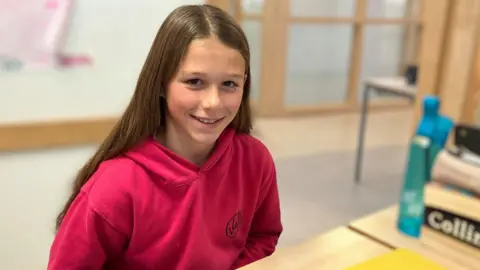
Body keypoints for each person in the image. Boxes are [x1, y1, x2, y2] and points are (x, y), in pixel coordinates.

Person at [47, 4, 283, 270]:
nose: (213, 102)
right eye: (195, 82)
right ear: (161, 84)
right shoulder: (114, 188)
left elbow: (263, 236)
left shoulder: (254, 159)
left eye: (229, 84)